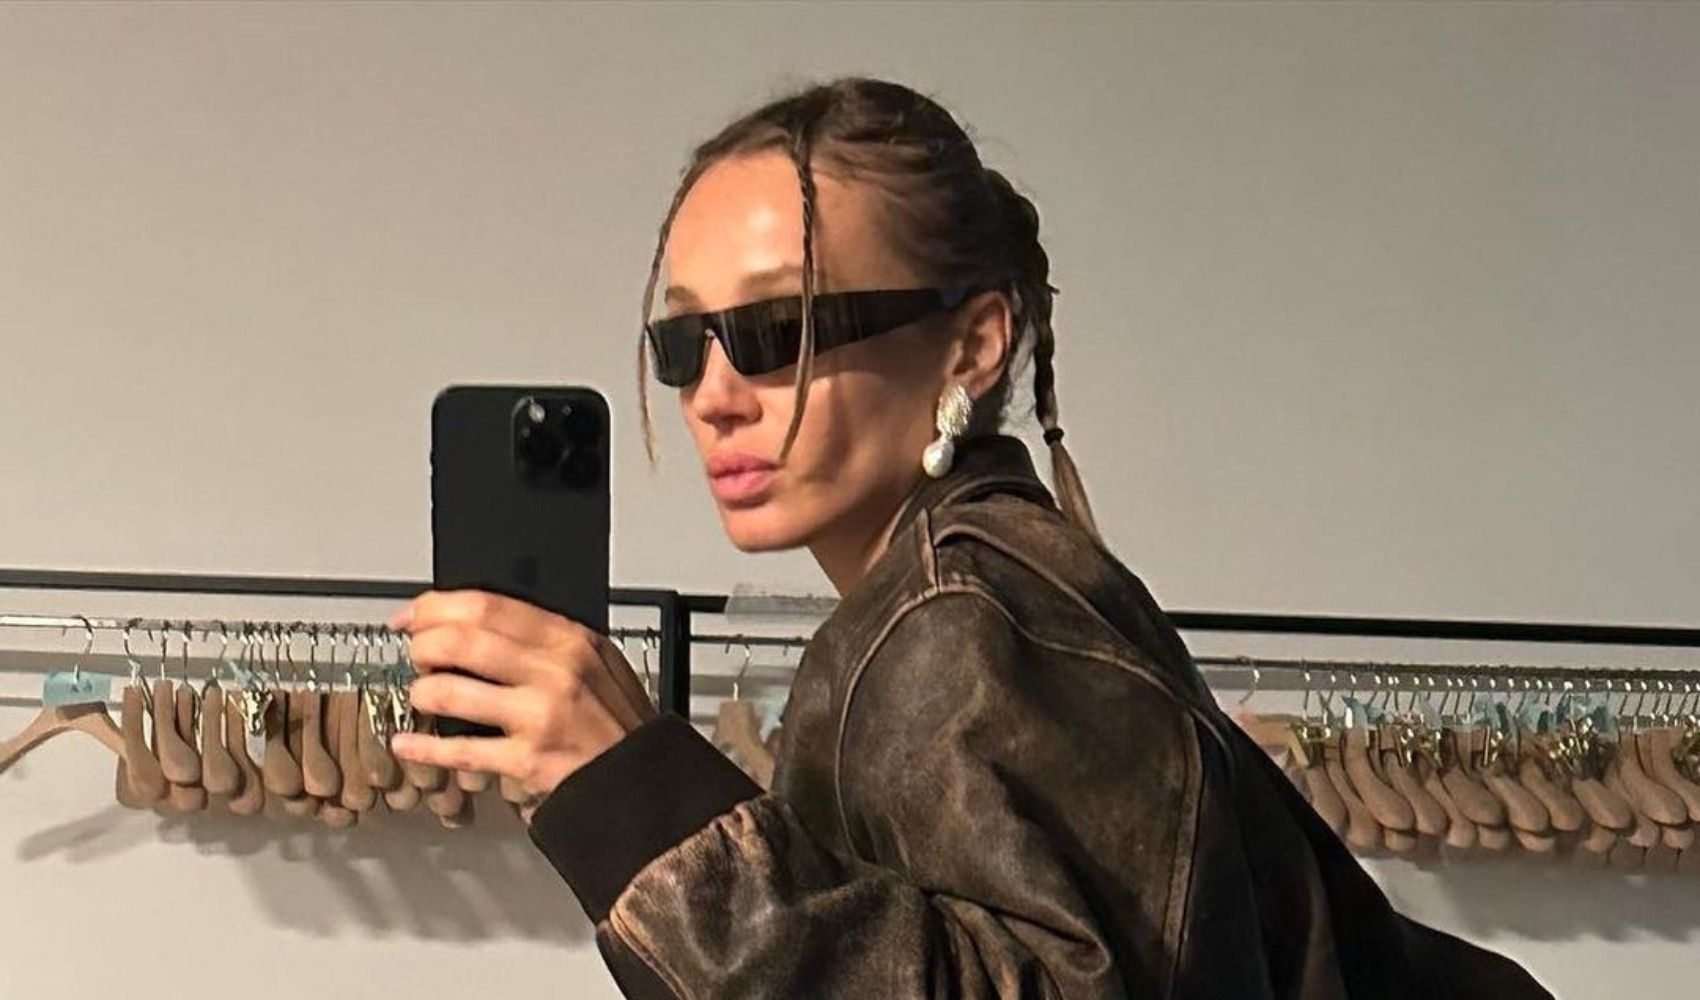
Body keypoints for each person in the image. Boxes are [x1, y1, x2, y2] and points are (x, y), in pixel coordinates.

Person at [387, 77, 1552, 999]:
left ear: (971, 343)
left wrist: (644, 806)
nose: (714, 396)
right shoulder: (960, 590)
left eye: (778, 328)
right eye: (684, 344)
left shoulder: (960, 616)